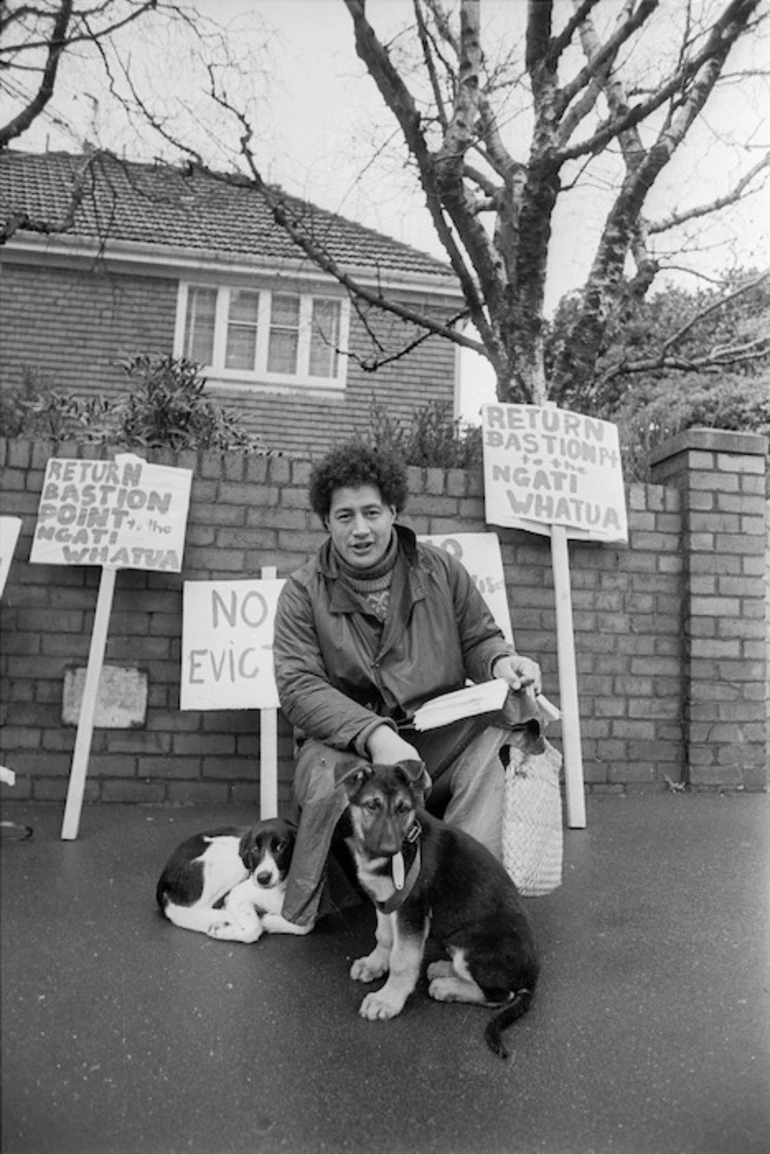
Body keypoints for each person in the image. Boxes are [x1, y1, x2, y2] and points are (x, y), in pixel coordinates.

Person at [269, 442, 546, 934]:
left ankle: (463, 893)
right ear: (326, 522)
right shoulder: (301, 591)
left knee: (498, 735)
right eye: (344, 516)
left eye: (372, 512)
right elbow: (299, 687)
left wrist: (502, 662)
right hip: (343, 748)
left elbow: (480, 638)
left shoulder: (442, 570)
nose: (360, 529)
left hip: (435, 732)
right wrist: (375, 734)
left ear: (393, 511)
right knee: (327, 779)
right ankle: (360, 899)